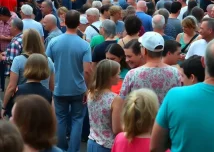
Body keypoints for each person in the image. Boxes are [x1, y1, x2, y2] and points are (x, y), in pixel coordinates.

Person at [46, 10, 92, 152]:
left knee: (60, 119)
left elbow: (47, 63)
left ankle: (61, 148)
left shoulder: (54, 42)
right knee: (77, 120)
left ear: (64, 22)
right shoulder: (84, 45)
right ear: (79, 24)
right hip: (78, 88)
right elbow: (87, 70)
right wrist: (87, 88)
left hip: (59, 88)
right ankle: (74, 149)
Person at [1, 29, 54, 118]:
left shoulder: (18, 60)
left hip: (22, 101)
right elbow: (52, 86)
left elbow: (11, 87)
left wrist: (4, 107)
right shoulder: (48, 61)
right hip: (43, 102)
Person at [120, 32, 181, 104]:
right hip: (166, 115)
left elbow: (122, 100)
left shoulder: (132, 74)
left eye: (141, 46)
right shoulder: (175, 73)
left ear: (144, 50)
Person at [88, 59, 123, 152]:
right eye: (117, 74)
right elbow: (117, 129)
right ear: (109, 77)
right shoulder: (115, 99)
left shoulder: (90, 93)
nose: (119, 77)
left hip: (91, 142)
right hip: (107, 145)